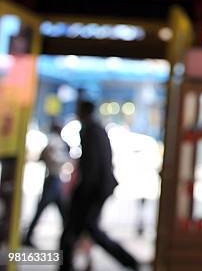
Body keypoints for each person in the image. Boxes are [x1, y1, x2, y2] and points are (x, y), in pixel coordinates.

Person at [59, 101, 138, 270]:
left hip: (93, 190)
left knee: (80, 230)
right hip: (97, 189)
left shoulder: (91, 131)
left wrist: (83, 192)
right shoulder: (96, 130)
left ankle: (128, 260)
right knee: (83, 229)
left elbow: (91, 167)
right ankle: (127, 260)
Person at [23, 122, 69, 247]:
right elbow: (50, 157)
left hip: (54, 178)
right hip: (53, 178)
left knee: (59, 210)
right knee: (48, 208)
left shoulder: (53, 141)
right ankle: (70, 235)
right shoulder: (55, 141)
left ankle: (70, 235)